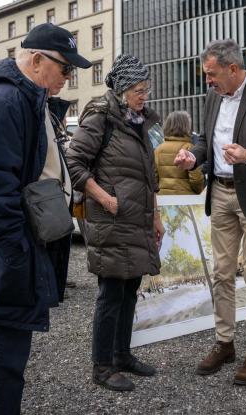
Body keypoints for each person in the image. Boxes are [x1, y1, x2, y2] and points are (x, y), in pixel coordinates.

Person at [0, 23, 91, 414]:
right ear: (37, 60)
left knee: (6, 356)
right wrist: (16, 248)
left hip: (6, 248)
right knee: (1, 360)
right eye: (65, 68)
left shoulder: (24, 99)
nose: (68, 77)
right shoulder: (8, 101)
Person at [174, 39, 246, 385]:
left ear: (233, 69)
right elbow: (204, 140)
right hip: (220, 194)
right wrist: (194, 156)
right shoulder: (212, 97)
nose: (207, 80)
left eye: (211, 74)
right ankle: (225, 343)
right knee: (221, 274)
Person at [66, 54, 165, 392]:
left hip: (136, 219)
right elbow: (74, 161)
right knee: (110, 294)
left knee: (130, 291)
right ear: (122, 90)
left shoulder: (140, 122)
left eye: (146, 89)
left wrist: (158, 216)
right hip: (111, 219)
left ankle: (122, 355)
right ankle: (102, 367)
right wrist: (102, 197)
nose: (144, 95)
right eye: (139, 89)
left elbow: (150, 176)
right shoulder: (100, 117)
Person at [155, 110, 205, 195]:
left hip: (164, 201)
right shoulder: (190, 149)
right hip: (185, 202)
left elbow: (154, 179)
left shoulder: (158, 149)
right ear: (186, 126)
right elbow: (197, 183)